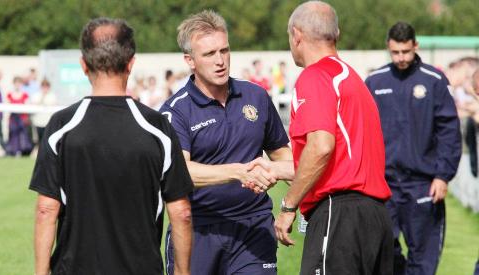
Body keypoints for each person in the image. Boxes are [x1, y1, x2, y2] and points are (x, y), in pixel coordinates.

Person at [29, 17, 193, 275]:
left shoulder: (61, 127)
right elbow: (181, 212)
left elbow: (46, 209)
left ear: (83, 66)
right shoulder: (157, 127)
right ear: (131, 64)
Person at [159, 10, 294, 275]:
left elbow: (283, 156)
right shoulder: (177, 110)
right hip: (198, 229)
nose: (220, 61)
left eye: (224, 50)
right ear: (190, 60)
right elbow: (180, 170)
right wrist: (238, 171)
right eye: (209, 54)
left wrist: (303, 196)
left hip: (253, 227)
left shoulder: (255, 96)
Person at [275, 2, 394, 274]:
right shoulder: (353, 80)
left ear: (296, 35)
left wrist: (288, 205)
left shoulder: (315, 76)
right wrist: (274, 169)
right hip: (375, 217)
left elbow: (321, 147)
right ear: (336, 33)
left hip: (339, 216)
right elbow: (341, 158)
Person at [365, 22, 462, 275]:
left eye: (406, 52)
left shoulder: (434, 80)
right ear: (388, 47)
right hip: (383, 186)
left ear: (415, 46)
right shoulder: (375, 82)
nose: (401, 58)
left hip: (423, 183)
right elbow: (362, 133)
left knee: (423, 256)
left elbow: (449, 131)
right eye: (396, 52)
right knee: (384, 250)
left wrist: (443, 175)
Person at [6, 76, 33, 156]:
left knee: (23, 134)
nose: (17, 85)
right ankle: (14, 151)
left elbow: (27, 106)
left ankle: (24, 151)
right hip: (13, 118)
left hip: (22, 118)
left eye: (19, 83)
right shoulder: (10, 95)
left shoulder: (25, 95)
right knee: (13, 134)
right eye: (16, 83)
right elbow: (7, 106)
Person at [30, 79, 57, 146]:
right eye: (43, 86)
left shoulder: (52, 96)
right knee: (38, 139)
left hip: (48, 121)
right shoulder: (36, 95)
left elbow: (54, 105)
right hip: (38, 121)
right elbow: (33, 105)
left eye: (46, 86)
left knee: (47, 139)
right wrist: (42, 97)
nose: (45, 88)